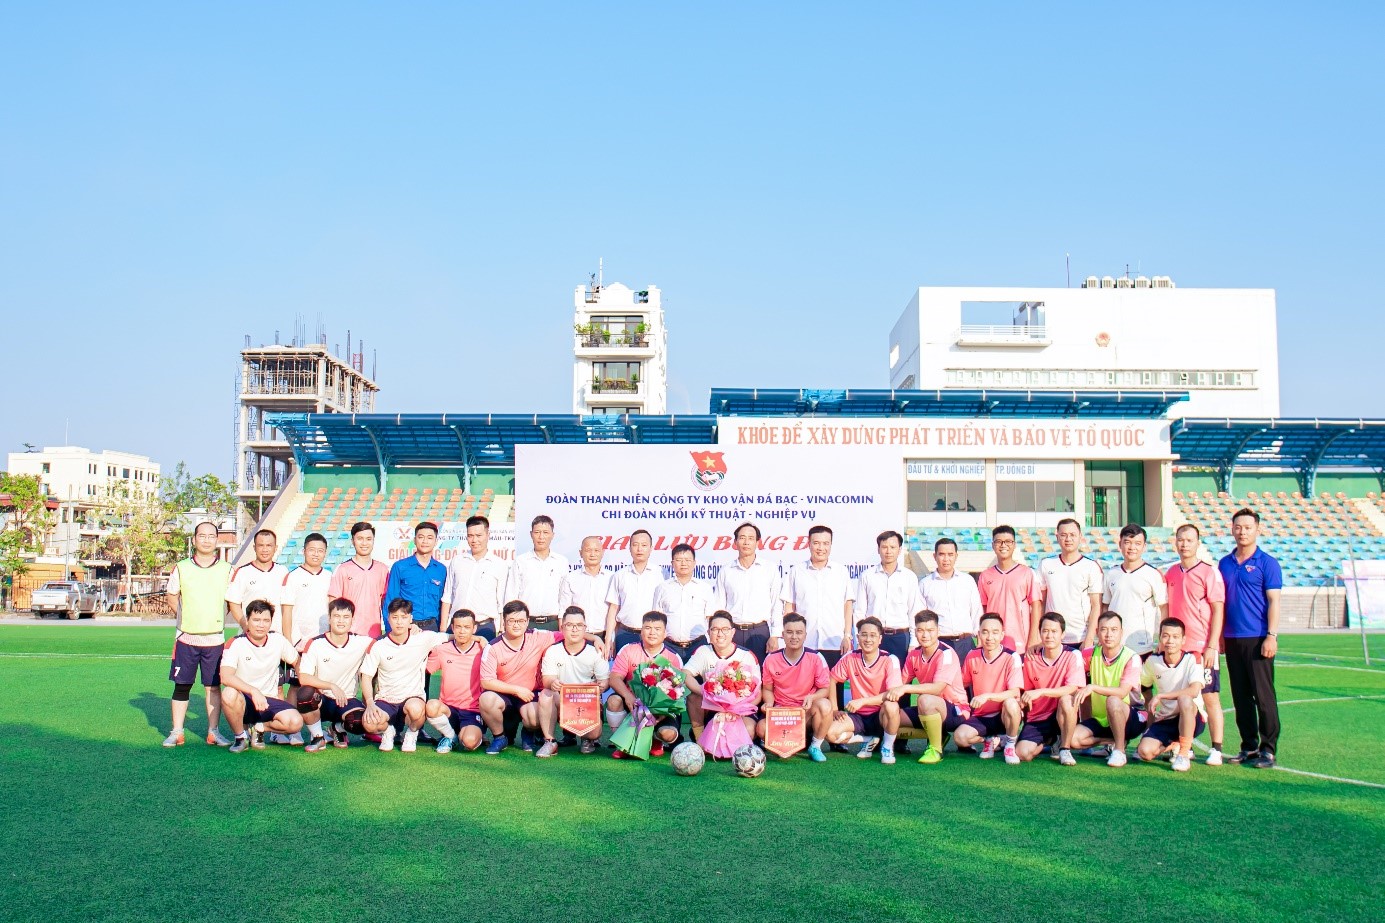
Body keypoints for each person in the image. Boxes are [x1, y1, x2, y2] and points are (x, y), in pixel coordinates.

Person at [1218, 508, 1283, 769]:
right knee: (1241, 697)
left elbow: (1274, 602)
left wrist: (1271, 636)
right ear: (1232, 529)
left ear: (1257, 529)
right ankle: (1249, 746)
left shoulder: (1268, 563)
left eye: (1247, 527)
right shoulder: (1224, 563)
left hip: (1257, 638)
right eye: (1238, 527)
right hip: (1232, 638)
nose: (1242, 532)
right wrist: (1220, 636)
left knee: (1263, 697)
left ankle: (1268, 749)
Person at [164, 521, 233, 748]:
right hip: (186, 638)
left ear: (217, 540)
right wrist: (187, 619)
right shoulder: (181, 567)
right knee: (182, 685)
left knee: (213, 686)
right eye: (202, 536)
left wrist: (217, 618)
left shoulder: (227, 569)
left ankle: (214, 732)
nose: (206, 540)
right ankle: (177, 731)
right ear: (194, 540)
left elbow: (232, 601)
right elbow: (172, 596)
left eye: (211, 536)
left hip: (215, 639)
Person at [1165, 523, 1228, 764]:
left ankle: (1216, 748)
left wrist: (1212, 645)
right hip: (1177, 649)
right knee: (1183, 699)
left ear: (1198, 543)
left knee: (1210, 697)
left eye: (1189, 540)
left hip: (1201, 648)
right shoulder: (1171, 573)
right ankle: (1186, 746)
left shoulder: (1209, 572)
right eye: (1180, 540)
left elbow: (1218, 610)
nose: (1184, 544)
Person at [359, 599, 451, 752]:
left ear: (410, 618)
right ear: (388, 619)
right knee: (369, 724)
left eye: (404, 617)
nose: (399, 622)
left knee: (416, 709)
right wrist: (369, 703)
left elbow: (451, 637)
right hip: (386, 700)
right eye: (395, 617)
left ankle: (412, 733)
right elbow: (366, 677)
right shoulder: (378, 645)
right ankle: (389, 731)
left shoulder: (423, 638)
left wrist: (478, 638)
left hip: (412, 698)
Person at [885, 609, 971, 765]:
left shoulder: (946, 653)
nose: (925, 635)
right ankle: (939, 735)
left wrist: (906, 689)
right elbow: (899, 683)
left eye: (930, 630)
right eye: (920, 630)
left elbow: (937, 688)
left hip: (955, 710)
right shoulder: (914, 655)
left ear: (938, 631)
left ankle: (935, 749)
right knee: (887, 717)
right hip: (927, 710)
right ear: (915, 632)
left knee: (925, 699)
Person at [220, 600, 305, 753]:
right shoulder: (236, 643)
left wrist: (305, 682)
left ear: (271, 622)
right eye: (256, 620)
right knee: (228, 693)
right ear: (247, 620)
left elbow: (297, 661)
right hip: (244, 699)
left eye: (266, 620)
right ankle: (241, 737)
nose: (261, 625)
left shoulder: (278, 640)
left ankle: (259, 728)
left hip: (268, 700)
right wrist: (253, 691)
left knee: (296, 723)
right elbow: (226, 677)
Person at [478, 600, 559, 754]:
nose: (516, 625)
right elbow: (486, 681)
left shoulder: (537, 636)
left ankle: (529, 732)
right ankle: (499, 737)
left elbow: (567, 635)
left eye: (521, 621)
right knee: (486, 699)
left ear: (527, 621)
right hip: (504, 696)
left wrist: (595, 639)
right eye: (511, 621)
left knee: (536, 717)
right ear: (504, 622)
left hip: (529, 695)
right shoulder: (492, 647)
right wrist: (516, 690)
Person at [1070, 612, 1147, 767]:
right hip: (1102, 718)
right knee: (1073, 740)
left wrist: (1092, 687)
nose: (1109, 634)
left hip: (1132, 715)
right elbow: (1068, 657)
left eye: (1114, 630)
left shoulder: (1132, 658)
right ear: (1097, 632)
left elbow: (1122, 692)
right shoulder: (1089, 654)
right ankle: (1115, 740)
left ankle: (1119, 751)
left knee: (1113, 701)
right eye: (1104, 629)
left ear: (1121, 632)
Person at [296, 598, 374, 750]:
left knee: (363, 723)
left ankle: (337, 728)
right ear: (329, 618)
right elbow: (303, 677)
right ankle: (318, 737)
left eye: (346, 617)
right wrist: (331, 686)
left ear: (352, 620)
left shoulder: (360, 642)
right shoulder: (315, 643)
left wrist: (412, 629)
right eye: (337, 616)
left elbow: (386, 642)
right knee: (305, 695)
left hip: (347, 699)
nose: (341, 621)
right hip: (322, 699)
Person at [606, 611, 686, 758]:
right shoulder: (628, 650)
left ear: (665, 633)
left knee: (668, 734)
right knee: (614, 701)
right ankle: (621, 744)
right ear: (641, 631)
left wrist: (661, 711)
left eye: (657, 629)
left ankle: (656, 740)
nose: (652, 632)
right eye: (647, 628)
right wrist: (628, 696)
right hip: (633, 704)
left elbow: (677, 692)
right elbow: (614, 678)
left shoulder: (673, 658)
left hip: (661, 709)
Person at [824, 618, 903, 764]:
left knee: (891, 705)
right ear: (858, 637)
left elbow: (893, 694)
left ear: (880, 639)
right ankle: (867, 740)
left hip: (881, 715)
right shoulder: (850, 657)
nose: (868, 639)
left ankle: (887, 747)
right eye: (864, 635)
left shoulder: (890, 659)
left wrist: (863, 701)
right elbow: (832, 679)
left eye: (873, 635)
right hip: (858, 716)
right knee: (829, 733)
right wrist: (834, 709)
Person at [278, 531, 332, 745]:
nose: (316, 554)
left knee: (319, 686)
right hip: (299, 643)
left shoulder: (329, 577)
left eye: (320, 551)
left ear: (325, 553)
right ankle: (294, 730)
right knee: (295, 685)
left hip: (322, 643)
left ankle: (316, 730)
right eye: (312, 550)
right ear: (303, 551)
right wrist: (289, 643)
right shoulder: (293, 577)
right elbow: (287, 612)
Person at [757, 613, 833, 762]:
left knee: (825, 705)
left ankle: (815, 746)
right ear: (783, 634)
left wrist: (812, 697)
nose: (794, 637)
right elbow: (767, 689)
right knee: (761, 728)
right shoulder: (771, 659)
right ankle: (787, 742)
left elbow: (825, 689)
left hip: (805, 711)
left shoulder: (816, 657)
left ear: (805, 635)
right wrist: (770, 704)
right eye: (789, 632)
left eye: (799, 632)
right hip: (782, 713)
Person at [536, 606, 611, 757]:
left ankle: (587, 739)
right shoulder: (553, 650)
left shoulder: (595, 651)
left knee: (594, 733)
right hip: (563, 701)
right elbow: (547, 679)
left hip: (586, 702)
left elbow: (605, 682)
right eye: (570, 625)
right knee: (546, 694)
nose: (574, 629)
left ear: (585, 628)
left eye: (579, 625)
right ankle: (550, 741)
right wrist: (553, 683)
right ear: (562, 628)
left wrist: (601, 686)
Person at [1137, 617, 1207, 772]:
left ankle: (1183, 754)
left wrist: (1161, 696)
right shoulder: (1153, 661)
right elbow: (1143, 687)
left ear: (1183, 640)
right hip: (1166, 719)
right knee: (1145, 752)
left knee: (1185, 699)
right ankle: (1174, 744)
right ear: (1160, 638)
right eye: (1166, 636)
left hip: (1192, 716)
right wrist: (1150, 712)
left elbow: (1194, 690)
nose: (1170, 641)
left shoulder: (1193, 658)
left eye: (1175, 637)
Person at [953, 613, 1024, 764]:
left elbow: (1015, 692)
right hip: (981, 715)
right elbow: (962, 684)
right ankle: (990, 740)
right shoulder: (972, 655)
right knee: (960, 738)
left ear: (1002, 635)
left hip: (1004, 714)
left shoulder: (1012, 657)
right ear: (979, 634)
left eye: (995, 632)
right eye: (985, 632)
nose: (990, 637)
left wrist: (987, 696)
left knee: (1011, 703)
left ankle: (1010, 745)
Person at [780, 524, 853, 670]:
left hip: (834, 643)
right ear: (809, 544)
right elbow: (789, 607)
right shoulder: (796, 571)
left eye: (825, 543)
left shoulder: (841, 572)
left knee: (834, 684)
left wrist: (847, 636)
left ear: (831, 545)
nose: (821, 548)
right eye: (816, 543)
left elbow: (847, 606)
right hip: (804, 644)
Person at [683, 610, 761, 743]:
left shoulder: (746, 655)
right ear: (708, 632)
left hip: (739, 709)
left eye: (725, 629)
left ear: (733, 632)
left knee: (749, 731)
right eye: (715, 629)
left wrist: (736, 709)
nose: (720, 634)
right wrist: (702, 690)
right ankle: (699, 738)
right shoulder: (703, 651)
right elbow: (685, 673)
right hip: (712, 707)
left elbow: (758, 692)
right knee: (694, 696)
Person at [1017, 613, 1084, 765]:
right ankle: (1050, 740)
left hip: (1063, 713)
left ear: (1063, 634)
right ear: (1040, 633)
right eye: (1045, 631)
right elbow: (1027, 692)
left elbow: (1073, 688)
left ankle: (1064, 749)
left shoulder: (1073, 655)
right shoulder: (1031, 657)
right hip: (1039, 716)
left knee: (1067, 700)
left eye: (1054, 631)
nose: (1049, 635)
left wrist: (1042, 691)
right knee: (1022, 753)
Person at [423, 609, 489, 753]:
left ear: (474, 629)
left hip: (472, 710)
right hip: (448, 710)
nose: (462, 631)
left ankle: (467, 734)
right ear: (452, 628)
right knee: (431, 706)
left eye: (467, 627)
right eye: (458, 627)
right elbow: (425, 669)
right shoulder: (442, 650)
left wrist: (481, 639)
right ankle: (450, 736)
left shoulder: (483, 650)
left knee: (469, 742)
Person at [714, 522, 782, 662]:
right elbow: (719, 606)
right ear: (735, 542)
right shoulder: (726, 570)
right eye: (742, 538)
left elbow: (776, 604)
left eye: (751, 538)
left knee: (760, 672)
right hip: (732, 632)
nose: (746, 542)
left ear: (757, 542)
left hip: (760, 632)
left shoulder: (769, 569)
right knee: (729, 672)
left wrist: (775, 636)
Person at [854, 530, 923, 665]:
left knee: (900, 676)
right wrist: (859, 641)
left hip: (901, 637)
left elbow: (914, 611)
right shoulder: (867, 576)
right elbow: (859, 611)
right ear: (878, 549)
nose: (888, 551)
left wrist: (914, 642)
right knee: (874, 675)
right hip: (873, 637)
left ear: (899, 550)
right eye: (884, 547)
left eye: (893, 547)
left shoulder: (909, 577)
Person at [1034, 518, 1104, 651]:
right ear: (1057, 537)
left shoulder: (1091, 567)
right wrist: (1039, 636)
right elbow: (1040, 603)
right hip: (1052, 638)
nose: (1068, 539)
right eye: (1063, 535)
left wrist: (1089, 638)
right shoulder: (1046, 564)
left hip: (1080, 638)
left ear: (1080, 536)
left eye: (1072, 535)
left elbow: (1096, 605)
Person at [1101, 524, 1168, 656]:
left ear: (1144, 546)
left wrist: (1162, 639)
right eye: (1127, 542)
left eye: (1137, 543)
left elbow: (1164, 608)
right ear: (1120, 544)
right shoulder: (1111, 573)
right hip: (1114, 645)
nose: (1132, 547)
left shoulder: (1153, 574)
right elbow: (1105, 607)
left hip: (1142, 646)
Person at [439, 515, 507, 640]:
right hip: (457, 627)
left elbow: (502, 601)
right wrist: (443, 629)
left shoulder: (499, 564)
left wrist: (502, 629)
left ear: (488, 535)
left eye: (479, 535)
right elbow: (447, 596)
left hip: (484, 627)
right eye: (470, 536)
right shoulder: (457, 561)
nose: (474, 540)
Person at [975, 525, 1039, 655]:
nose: (1003, 545)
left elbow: (1036, 605)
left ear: (1014, 545)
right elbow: (983, 609)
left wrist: (1034, 637)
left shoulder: (1026, 573)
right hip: (993, 641)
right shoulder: (985, 576)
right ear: (993, 545)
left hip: (1020, 641)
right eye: (999, 541)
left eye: (1008, 541)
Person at [918, 537, 982, 665]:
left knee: (968, 678)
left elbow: (976, 611)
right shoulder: (925, 584)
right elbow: (921, 617)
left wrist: (980, 639)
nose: (946, 559)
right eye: (941, 554)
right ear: (934, 556)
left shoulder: (967, 581)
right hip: (939, 644)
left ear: (956, 556)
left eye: (950, 554)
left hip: (966, 643)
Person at [651, 543, 714, 663]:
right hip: (669, 646)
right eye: (679, 560)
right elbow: (656, 619)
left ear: (694, 563)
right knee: (666, 675)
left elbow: (710, 618)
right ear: (672, 563)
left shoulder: (705, 588)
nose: (683, 563)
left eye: (687, 560)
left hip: (698, 645)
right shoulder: (662, 588)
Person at [506, 515, 570, 631]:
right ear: (531, 534)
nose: (541, 537)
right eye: (537, 532)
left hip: (553, 623)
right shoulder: (521, 561)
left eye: (545, 532)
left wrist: (562, 621)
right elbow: (511, 593)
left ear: (552, 535)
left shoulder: (561, 562)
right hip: (526, 623)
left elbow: (564, 596)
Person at [603, 529, 662, 656]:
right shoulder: (620, 575)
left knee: (653, 668)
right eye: (635, 545)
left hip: (653, 635)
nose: (639, 549)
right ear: (629, 548)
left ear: (651, 548)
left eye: (644, 545)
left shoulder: (661, 574)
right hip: (625, 634)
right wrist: (608, 639)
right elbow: (614, 608)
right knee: (623, 668)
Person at [328, 521, 390, 639]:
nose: (364, 543)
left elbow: (386, 604)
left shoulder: (382, 569)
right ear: (353, 541)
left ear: (373, 541)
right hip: (348, 635)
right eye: (360, 538)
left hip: (374, 634)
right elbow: (333, 604)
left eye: (368, 539)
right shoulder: (342, 569)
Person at [384, 522, 447, 632]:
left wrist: (442, 628)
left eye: (430, 538)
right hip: (407, 626)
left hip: (433, 627)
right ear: (414, 540)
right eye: (421, 537)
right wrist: (391, 630)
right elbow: (390, 601)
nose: (425, 541)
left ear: (436, 541)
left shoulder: (441, 569)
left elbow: (442, 602)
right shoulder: (400, 567)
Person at [226, 529, 288, 632]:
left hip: (277, 633)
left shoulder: (283, 571)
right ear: (254, 547)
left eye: (269, 545)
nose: (265, 549)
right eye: (261, 545)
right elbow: (234, 602)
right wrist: (245, 625)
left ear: (275, 548)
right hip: (252, 634)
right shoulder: (243, 572)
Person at [557, 536, 612, 648]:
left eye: (596, 550)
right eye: (588, 550)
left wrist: (610, 639)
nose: (592, 554)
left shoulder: (612, 578)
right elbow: (563, 611)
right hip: (576, 636)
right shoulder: (570, 578)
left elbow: (615, 611)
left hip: (604, 637)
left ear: (603, 553)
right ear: (580, 553)